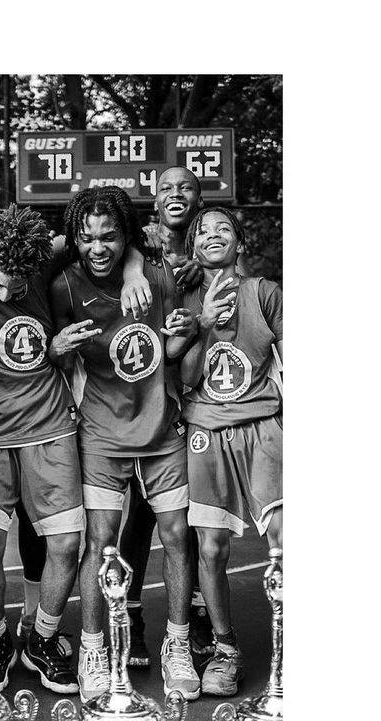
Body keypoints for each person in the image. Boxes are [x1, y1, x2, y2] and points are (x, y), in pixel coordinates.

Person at [49, 186, 201, 703]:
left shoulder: (157, 276)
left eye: (109, 237)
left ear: (127, 237)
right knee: (101, 541)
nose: (98, 247)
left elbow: (173, 347)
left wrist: (188, 328)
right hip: (101, 433)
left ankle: (176, 645)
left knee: (177, 535)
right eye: (87, 237)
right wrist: (56, 347)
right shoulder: (64, 286)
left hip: (160, 428)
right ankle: (93, 649)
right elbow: (52, 355)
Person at [0, 205, 85, 694]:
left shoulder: (44, 259)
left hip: (50, 425)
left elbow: (91, 238)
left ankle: (43, 638)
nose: (4, 295)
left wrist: (139, 265)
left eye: (16, 287)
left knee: (67, 544)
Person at [180, 206, 283, 695]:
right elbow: (184, 377)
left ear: (239, 243)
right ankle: (225, 650)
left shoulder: (264, 292)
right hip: (206, 430)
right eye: (203, 231)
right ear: (193, 248)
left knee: (284, 542)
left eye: (223, 228)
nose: (212, 235)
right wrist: (201, 324)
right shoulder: (182, 299)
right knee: (211, 547)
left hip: (263, 425)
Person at [120, 166, 211, 666]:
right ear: (155, 202)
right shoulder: (143, 246)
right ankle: (131, 616)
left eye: (186, 187)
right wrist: (138, 265)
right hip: (150, 392)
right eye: (166, 188)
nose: (176, 193)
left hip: (200, 395)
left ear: (199, 200)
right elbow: (121, 252)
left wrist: (199, 264)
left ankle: (196, 613)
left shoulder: (210, 247)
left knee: (192, 515)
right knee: (139, 512)